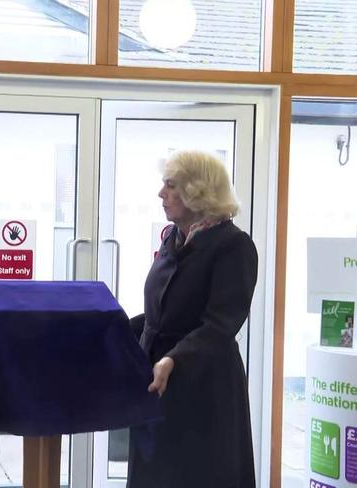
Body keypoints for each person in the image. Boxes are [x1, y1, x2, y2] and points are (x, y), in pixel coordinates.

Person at [127, 150, 257, 488]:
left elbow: (221, 323)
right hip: (157, 381)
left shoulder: (233, 245)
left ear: (198, 192)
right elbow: (162, 313)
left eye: (171, 186)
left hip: (203, 386)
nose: (161, 194)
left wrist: (173, 358)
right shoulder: (174, 238)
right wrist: (114, 331)